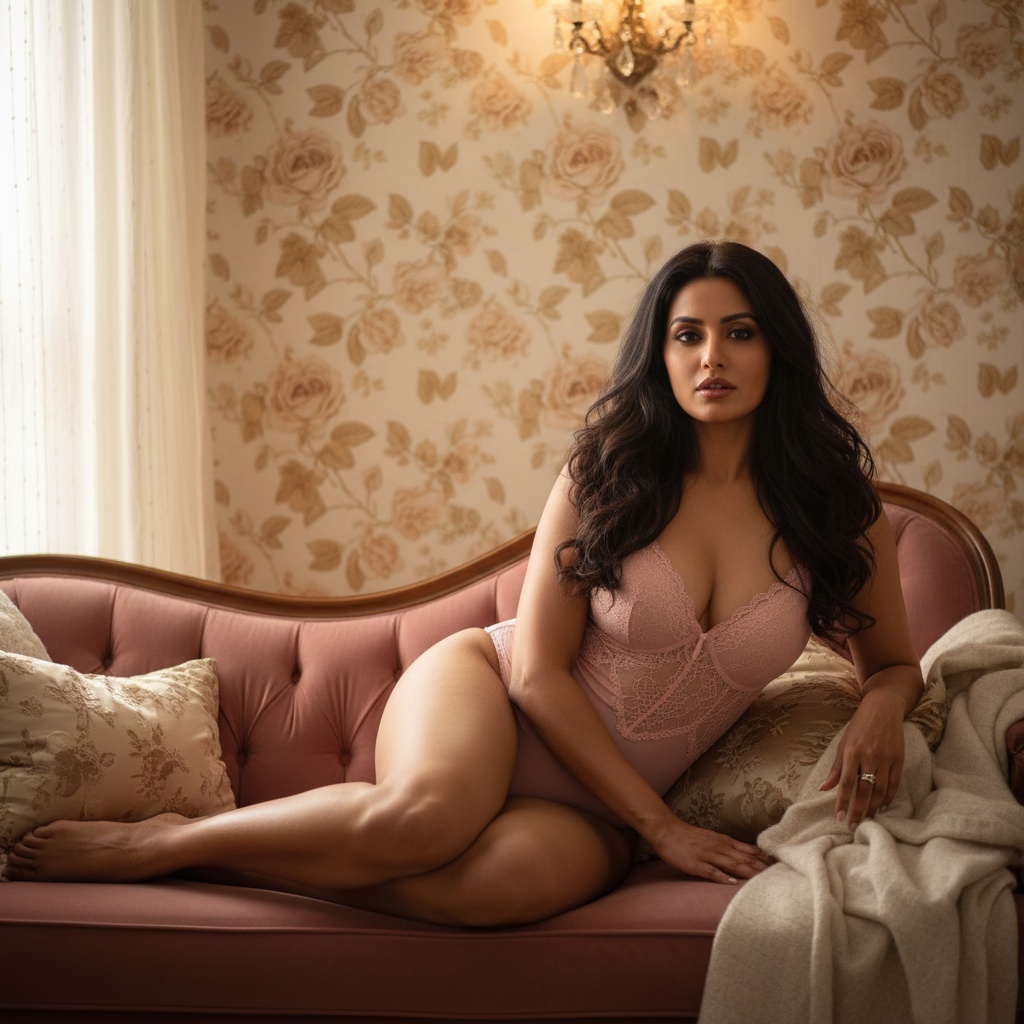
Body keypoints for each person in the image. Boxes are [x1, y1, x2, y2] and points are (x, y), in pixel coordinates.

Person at [0, 241, 924, 926]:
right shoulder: (606, 474)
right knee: (423, 821)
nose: (711, 358)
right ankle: (166, 842)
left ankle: (239, 867)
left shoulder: (833, 509)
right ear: (661, 352)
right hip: (494, 692)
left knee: (492, 896)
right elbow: (538, 673)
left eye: (739, 333)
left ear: (778, 350)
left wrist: (883, 703)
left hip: (598, 805)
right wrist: (665, 829)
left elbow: (894, 664)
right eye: (687, 335)